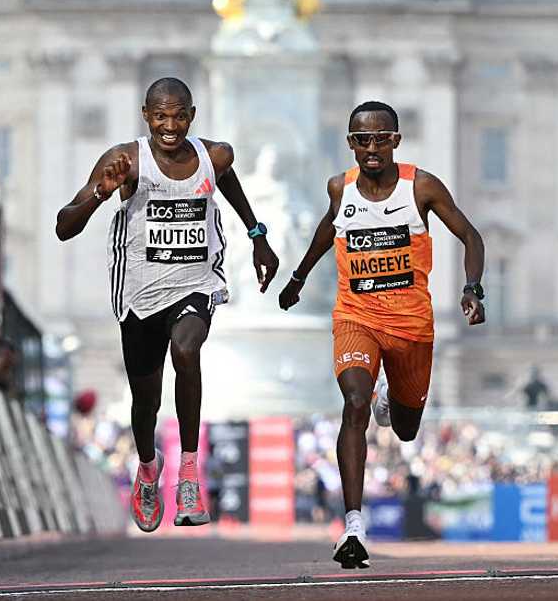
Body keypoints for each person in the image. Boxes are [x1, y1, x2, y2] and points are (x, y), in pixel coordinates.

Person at [55, 77, 279, 532]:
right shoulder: (126, 160)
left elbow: (227, 182)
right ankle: (147, 467)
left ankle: (189, 475)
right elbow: (64, 227)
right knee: (146, 401)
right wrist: (101, 193)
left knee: (187, 350)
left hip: (195, 284)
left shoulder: (214, 156)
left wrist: (258, 236)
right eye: (160, 117)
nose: (170, 126)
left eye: (179, 117)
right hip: (139, 294)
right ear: (146, 116)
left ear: (192, 116)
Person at [278, 100, 485, 569]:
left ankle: (391, 397)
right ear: (350, 143)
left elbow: (471, 236)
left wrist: (472, 288)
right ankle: (353, 525)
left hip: (411, 325)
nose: (371, 148)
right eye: (362, 140)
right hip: (357, 317)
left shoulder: (421, 186)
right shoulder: (340, 187)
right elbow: (327, 227)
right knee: (354, 402)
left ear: (395, 141)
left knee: (406, 431)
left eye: (380, 139)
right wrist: (298, 278)